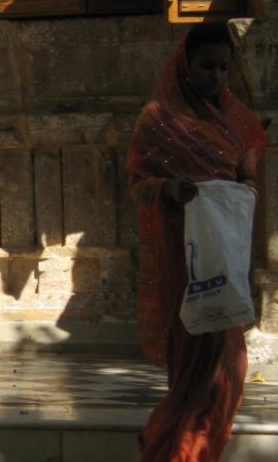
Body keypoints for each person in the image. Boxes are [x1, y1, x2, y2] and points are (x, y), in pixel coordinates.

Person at [127, 23, 267, 462]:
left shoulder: (238, 118)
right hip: (185, 262)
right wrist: (169, 190)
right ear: (187, 65)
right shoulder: (158, 118)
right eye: (207, 66)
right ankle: (177, 452)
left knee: (230, 370)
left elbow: (248, 172)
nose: (217, 76)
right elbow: (138, 181)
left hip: (224, 257)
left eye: (224, 67)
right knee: (194, 372)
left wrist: (243, 194)